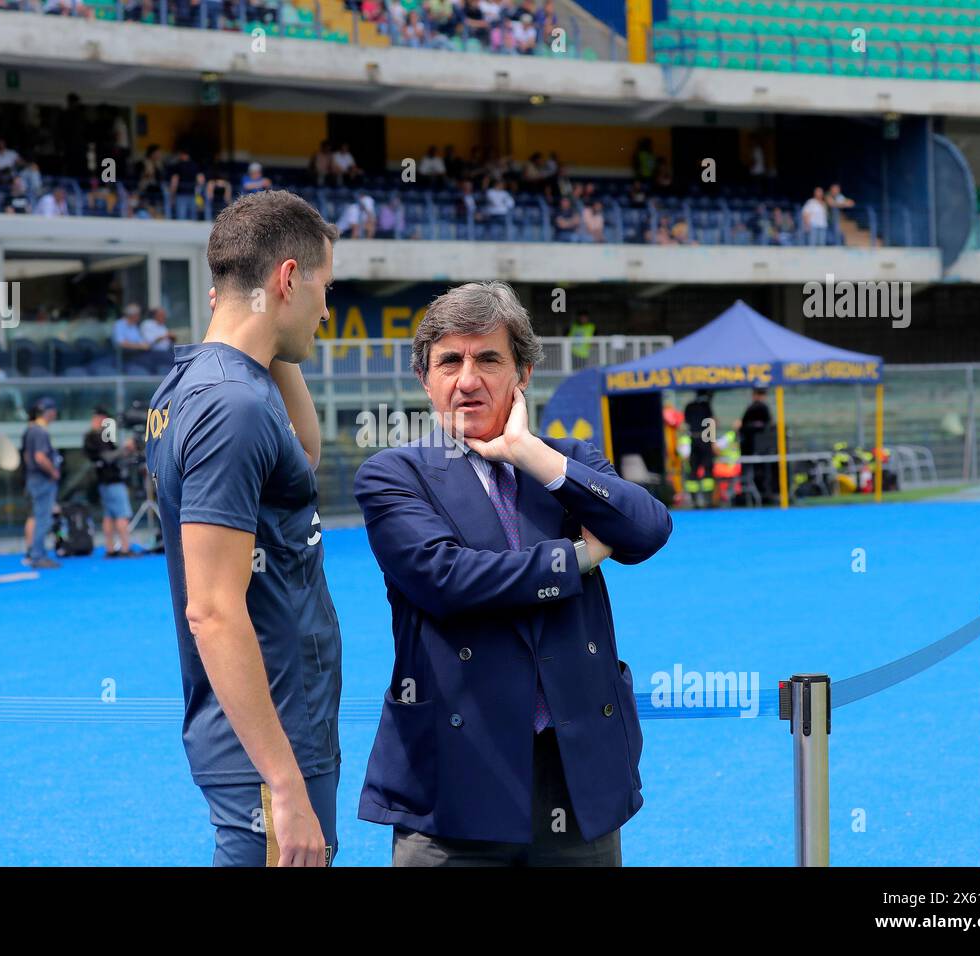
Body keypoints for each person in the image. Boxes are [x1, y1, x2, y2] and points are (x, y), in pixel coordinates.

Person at [352, 280, 672, 866]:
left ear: (522, 374)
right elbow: (446, 580)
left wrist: (532, 454)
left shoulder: (566, 462)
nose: (467, 380)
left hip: (575, 773)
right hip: (456, 781)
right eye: (449, 361)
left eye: (488, 359)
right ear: (425, 379)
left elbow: (647, 530)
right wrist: (574, 559)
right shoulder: (394, 474)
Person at [144, 190, 341, 867]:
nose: (326, 309)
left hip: (274, 736)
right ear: (289, 278)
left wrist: (268, 336)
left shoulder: (207, 386)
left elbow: (301, 461)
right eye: (322, 288)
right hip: (268, 752)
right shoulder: (232, 406)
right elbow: (213, 610)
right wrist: (285, 785)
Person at [84, 406, 135, 558]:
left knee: (109, 516)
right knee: (121, 514)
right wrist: (125, 448)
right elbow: (108, 457)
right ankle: (125, 548)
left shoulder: (93, 437)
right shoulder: (96, 437)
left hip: (103, 482)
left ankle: (110, 548)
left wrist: (124, 451)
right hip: (111, 481)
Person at [21, 397, 62, 570]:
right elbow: (40, 457)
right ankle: (38, 556)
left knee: (35, 517)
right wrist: (53, 472)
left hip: (33, 478)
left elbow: (26, 456)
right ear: (50, 412)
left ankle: (33, 552)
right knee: (42, 519)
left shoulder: (30, 430)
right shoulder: (40, 431)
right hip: (42, 480)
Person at [736, 387, 773, 501]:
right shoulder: (760, 408)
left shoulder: (756, 408)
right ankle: (760, 494)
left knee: (756, 471)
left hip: (753, 447)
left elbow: (743, 425)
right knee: (757, 471)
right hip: (758, 448)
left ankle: (754, 495)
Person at [683, 389, 716, 507]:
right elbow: (711, 423)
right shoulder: (706, 406)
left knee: (693, 470)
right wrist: (712, 442)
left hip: (693, 439)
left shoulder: (689, 406)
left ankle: (694, 500)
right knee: (707, 469)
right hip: (705, 439)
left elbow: (685, 423)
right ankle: (708, 500)